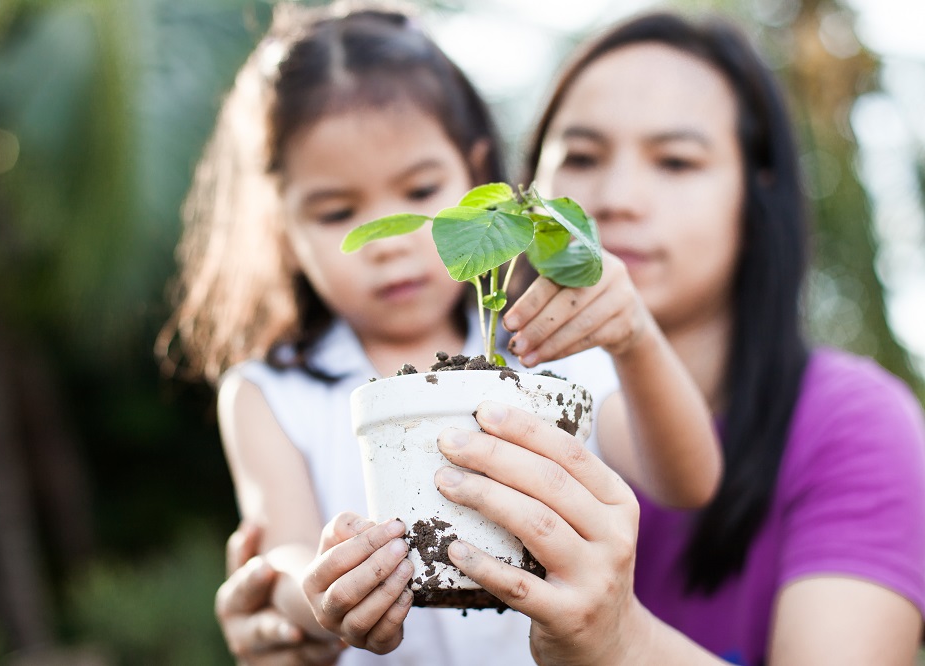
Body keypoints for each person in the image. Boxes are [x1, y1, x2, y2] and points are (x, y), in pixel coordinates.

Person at [306, 10, 925, 665]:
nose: (617, 197)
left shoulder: (849, 427)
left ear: (756, 187)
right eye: (580, 156)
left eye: (677, 161)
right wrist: (296, 623)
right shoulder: (480, 402)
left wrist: (619, 639)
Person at [160, 3, 722, 664]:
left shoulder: (544, 346)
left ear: (475, 175)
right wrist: (317, 594)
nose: (388, 242)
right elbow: (280, 552)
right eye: (338, 210)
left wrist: (635, 339)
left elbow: (690, 480)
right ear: (281, 224)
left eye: (422, 189)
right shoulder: (270, 390)